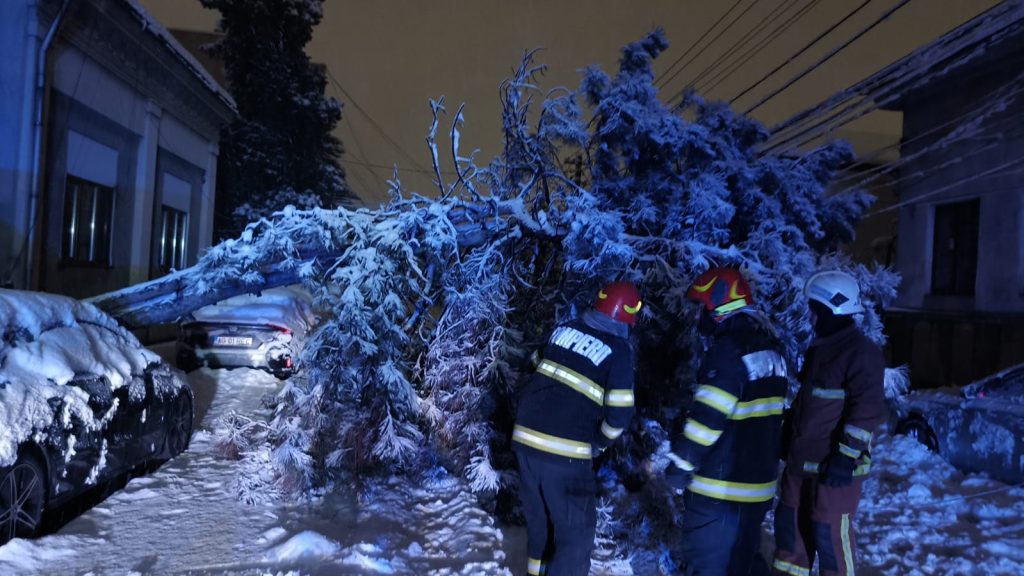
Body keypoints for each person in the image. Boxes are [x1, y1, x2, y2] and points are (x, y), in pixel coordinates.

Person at [665, 266, 789, 576]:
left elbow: (709, 417)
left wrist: (680, 466)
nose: (698, 317)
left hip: (720, 492)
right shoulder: (770, 348)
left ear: (718, 306)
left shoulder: (728, 350)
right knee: (742, 565)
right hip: (757, 488)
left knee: (708, 566)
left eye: (702, 308)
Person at [512, 281, 641, 576]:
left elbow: (532, 363)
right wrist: (599, 443)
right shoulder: (619, 351)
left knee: (540, 525)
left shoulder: (565, 329)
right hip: (566, 452)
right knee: (575, 536)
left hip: (524, 439)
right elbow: (620, 413)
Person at [772, 271, 887, 576]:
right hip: (801, 465)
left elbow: (866, 410)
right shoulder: (822, 349)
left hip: (833, 471)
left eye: (814, 309)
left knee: (830, 538)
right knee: (790, 536)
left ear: (829, 310)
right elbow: (810, 404)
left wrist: (845, 457)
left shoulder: (862, 353)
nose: (809, 316)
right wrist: (788, 435)